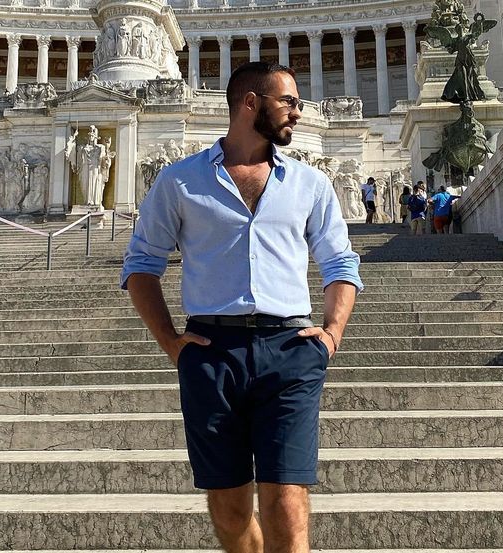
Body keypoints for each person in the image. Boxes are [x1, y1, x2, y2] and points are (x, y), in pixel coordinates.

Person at [121, 61, 363, 553]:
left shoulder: (311, 183)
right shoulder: (179, 181)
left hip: (290, 347)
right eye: (288, 101)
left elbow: (340, 262)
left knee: (287, 500)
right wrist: (171, 343)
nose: (298, 111)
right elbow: (141, 265)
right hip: (212, 349)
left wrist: (332, 334)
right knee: (230, 509)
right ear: (251, 103)